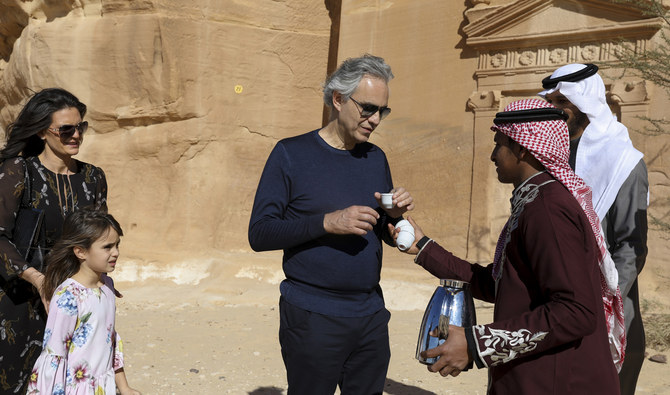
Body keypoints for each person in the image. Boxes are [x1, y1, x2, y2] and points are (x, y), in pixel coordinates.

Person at [394, 99, 624, 394]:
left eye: (499, 144)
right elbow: (499, 284)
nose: (492, 155)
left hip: (556, 382)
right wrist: (423, 248)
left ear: (523, 148)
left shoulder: (548, 210)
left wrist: (477, 345)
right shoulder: (536, 202)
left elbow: (575, 311)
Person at [248, 54, 414, 394]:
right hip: (312, 315)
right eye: (367, 108)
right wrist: (327, 222)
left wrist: (393, 222)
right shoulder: (290, 154)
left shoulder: (375, 157)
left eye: (383, 111)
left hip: (370, 314)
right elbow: (260, 233)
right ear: (338, 99)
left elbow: (378, 224)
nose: (375, 120)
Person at [539, 63, 648, 395]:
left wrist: (597, 304)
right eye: (551, 101)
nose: (555, 110)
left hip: (610, 320)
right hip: (557, 312)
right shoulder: (554, 157)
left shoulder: (625, 162)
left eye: (561, 102)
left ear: (583, 102)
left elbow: (630, 248)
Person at [0, 88, 108, 393]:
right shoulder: (19, 172)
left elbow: (101, 237)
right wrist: (38, 280)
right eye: (66, 129)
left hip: (76, 299)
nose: (75, 135)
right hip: (21, 298)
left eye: (80, 127)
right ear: (41, 132)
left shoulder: (93, 178)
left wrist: (103, 282)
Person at [26, 208, 139, 394]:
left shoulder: (107, 286)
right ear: (80, 252)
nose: (116, 252)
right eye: (107, 247)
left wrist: (124, 387)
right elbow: (55, 356)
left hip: (104, 387)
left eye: (117, 245)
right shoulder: (68, 295)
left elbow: (110, 340)